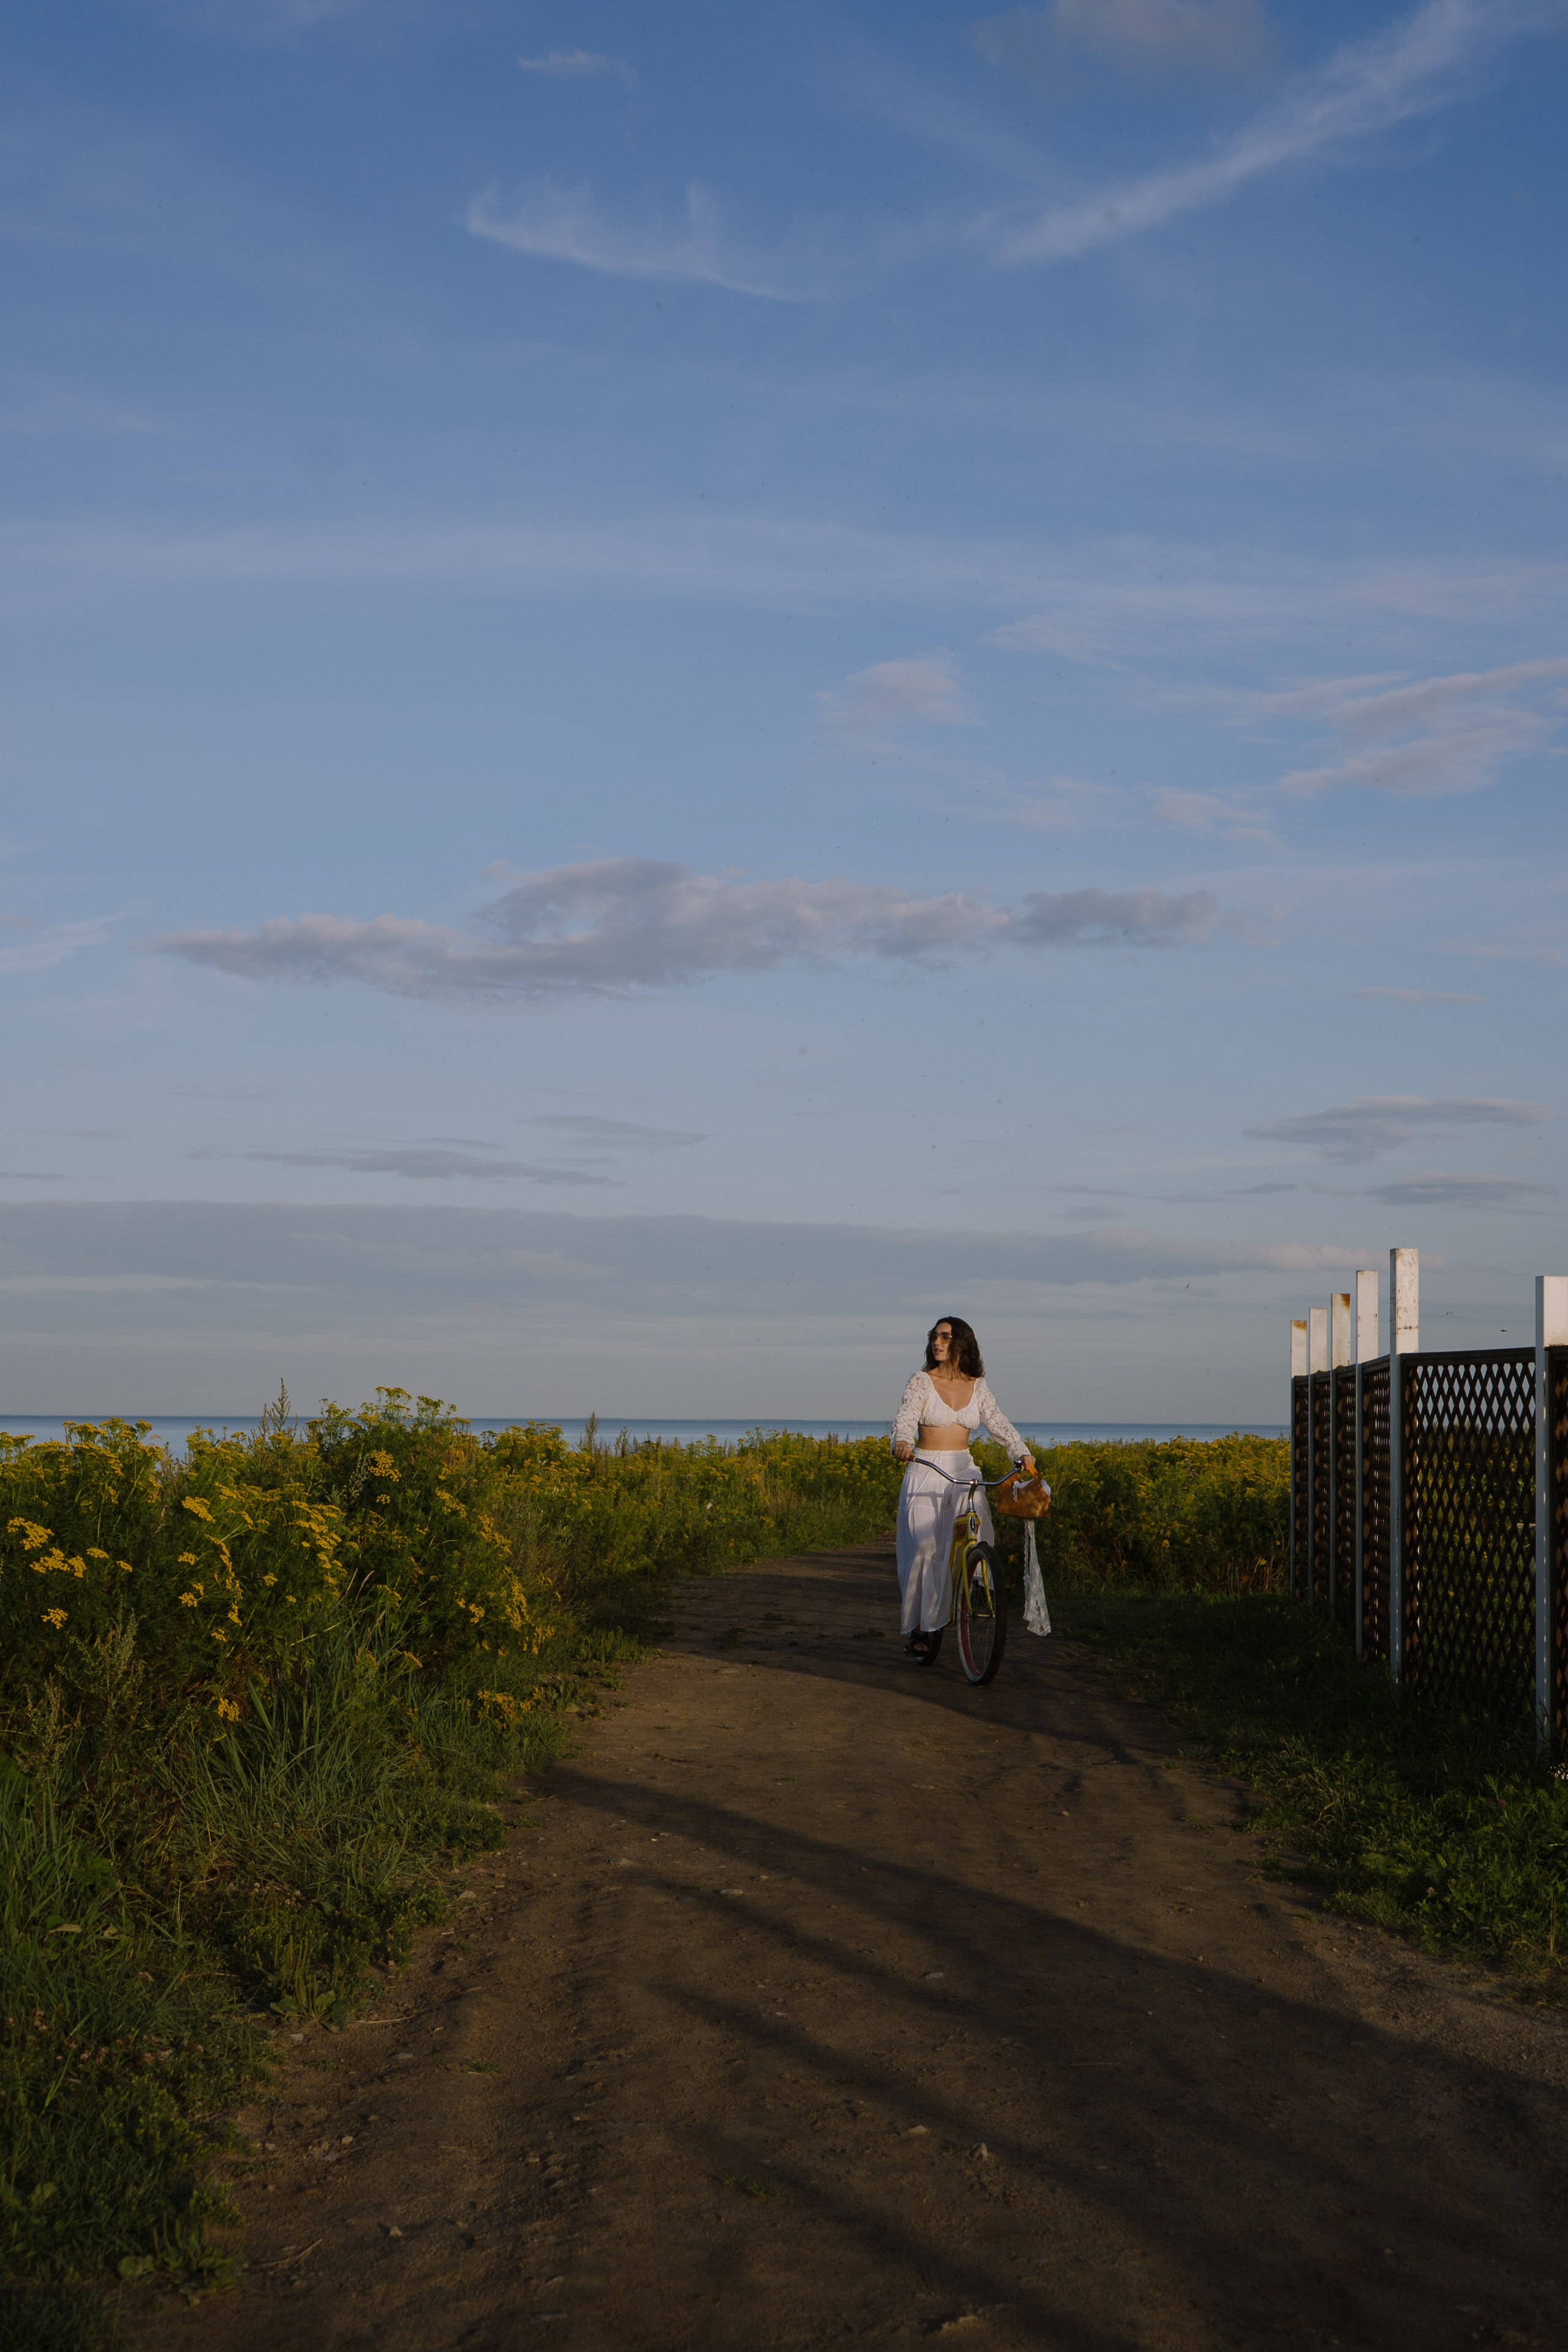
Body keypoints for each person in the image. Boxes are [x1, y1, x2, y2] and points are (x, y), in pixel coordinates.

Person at [891, 1317, 1040, 1662]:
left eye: (945, 1337)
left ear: (962, 1343)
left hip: (963, 1469)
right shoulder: (921, 1381)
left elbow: (997, 1421)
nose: (937, 1343)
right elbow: (906, 1415)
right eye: (935, 1337)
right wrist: (901, 1440)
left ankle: (974, 1587)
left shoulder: (978, 1386)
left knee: (977, 1532)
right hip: (926, 1469)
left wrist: (1020, 1451)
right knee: (925, 1550)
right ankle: (922, 1629)